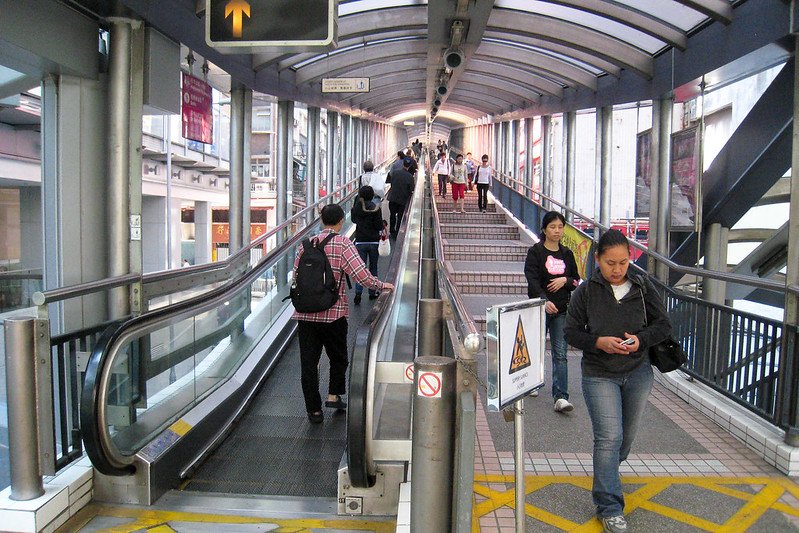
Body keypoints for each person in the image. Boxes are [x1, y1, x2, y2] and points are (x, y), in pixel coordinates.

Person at [564, 229, 671, 533]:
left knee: (624, 440)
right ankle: (609, 506)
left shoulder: (641, 285)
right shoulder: (586, 292)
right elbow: (570, 332)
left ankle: (608, 469)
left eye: (623, 262)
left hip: (638, 372)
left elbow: (663, 325)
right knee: (609, 438)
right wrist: (598, 342)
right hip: (600, 374)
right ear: (598, 259)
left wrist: (640, 340)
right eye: (610, 263)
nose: (617, 269)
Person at [292, 204, 394, 424]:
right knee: (338, 358)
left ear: (321, 221)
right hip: (333, 313)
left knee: (308, 364)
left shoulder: (304, 246)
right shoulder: (343, 243)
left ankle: (314, 410)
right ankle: (333, 395)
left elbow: (295, 277)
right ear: (340, 221)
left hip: (305, 315)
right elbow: (361, 275)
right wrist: (381, 285)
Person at [524, 211, 580, 412]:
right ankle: (532, 382)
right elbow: (531, 279)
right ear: (544, 229)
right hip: (541, 308)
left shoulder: (567, 254)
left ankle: (561, 397)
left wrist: (565, 280)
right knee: (535, 347)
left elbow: (576, 280)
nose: (557, 231)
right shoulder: (536, 252)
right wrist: (543, 300)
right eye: (552, 227)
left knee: (560, 353)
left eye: (560, 227)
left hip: (562, 310)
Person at [350, 185, 384, 305]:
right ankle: (372, 292)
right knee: (373, 268)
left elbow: (353, 220)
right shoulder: (376, 208)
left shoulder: (356, 209)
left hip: (360, 241)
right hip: (374, 241)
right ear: (371, 195)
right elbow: (379, 225)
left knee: (360, 269)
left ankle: (358, 293)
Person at [386, 157, 415, 238]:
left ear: (403, 164)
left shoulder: (395, 173)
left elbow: (391, 182)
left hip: (392, 198)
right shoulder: (410, 177)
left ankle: (391, 231)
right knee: (400, 216)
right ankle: (397, 232)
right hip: (402, 200)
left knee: (392, 215)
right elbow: (412, 189)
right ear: (409, 166)